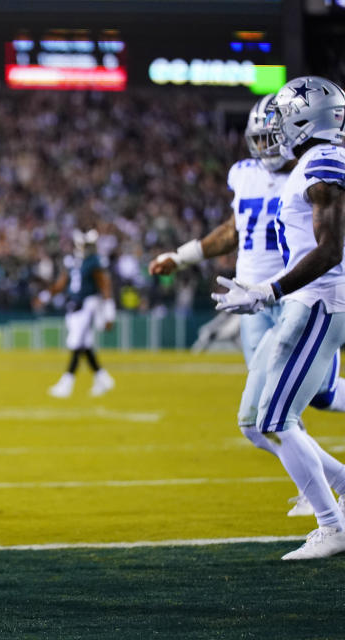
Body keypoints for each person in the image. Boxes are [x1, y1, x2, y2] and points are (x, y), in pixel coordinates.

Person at [150, 94, 345, 519]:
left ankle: (331, 500)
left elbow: (331, 244)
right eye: (260, 138)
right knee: (269, 414)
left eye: (272, 136)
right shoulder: (244, 175)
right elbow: (232, 230)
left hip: (297, 293)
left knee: (307, 400)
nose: (268, 146)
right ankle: (328, 490)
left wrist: (275, 289)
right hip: (252, 302)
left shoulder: (315, 167)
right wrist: (182, 256)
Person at [212, 76, 345, 559]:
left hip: (317, 302)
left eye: (284, 116)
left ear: (304, 119)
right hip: (303, 302)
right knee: (254, 420)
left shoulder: (325, 161)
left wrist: (269, 290)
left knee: (277, 419)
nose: (278, 127)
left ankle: (334, 525)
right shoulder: (315, 160)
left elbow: (330, 250)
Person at [45, 229, 116, 398]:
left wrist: (108, 312)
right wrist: (45, 295)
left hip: (88, 305)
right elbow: (62, 283)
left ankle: (67, 383)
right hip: (73, 305)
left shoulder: (95, 261)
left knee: (76, 343)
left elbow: (105, 286)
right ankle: (103, 378)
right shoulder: (73, 261)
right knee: (84, 345)